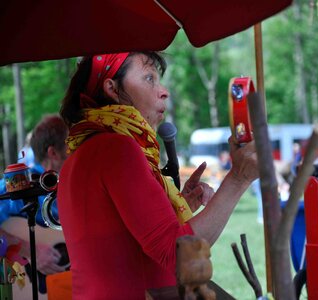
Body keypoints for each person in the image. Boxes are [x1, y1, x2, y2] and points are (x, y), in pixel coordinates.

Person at [58, 51, 258, 299]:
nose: (164, 91)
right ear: (111, 87)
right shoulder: (117, 148)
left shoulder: (80, 155)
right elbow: (178, 254)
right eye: (149, 78)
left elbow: (117, 238)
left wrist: (179, 204)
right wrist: (238, 178)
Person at [0, 114, 69, 296]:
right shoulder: (19, 184)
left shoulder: (75, 185)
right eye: (73, 146)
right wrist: (31, 251)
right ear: (53, 153)